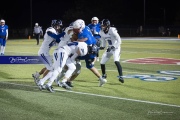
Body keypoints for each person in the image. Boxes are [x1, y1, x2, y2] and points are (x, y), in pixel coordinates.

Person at [69, 19, 107, 87]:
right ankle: (101, 79)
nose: (75, 30)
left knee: (71, 58)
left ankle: (66, 78)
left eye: (77, 29)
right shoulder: (86, 27)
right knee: (90, 66)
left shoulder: (83, 34)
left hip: (88, 50)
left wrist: (74, 40)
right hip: (93, 50)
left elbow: (81, 42)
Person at [32, 19, 65, 85]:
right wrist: (65, 33)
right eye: (57, 26)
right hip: (43, 52)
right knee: (50, 68)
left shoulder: (55, 32)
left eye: (59, 26)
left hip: (45, 52)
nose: (58, 27)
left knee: (51, 66)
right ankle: (41, 82)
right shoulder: (50, 30)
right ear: (53, 25)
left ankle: (37, 75)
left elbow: (60, 41)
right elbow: (56, 37)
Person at [99, 19, 124, 83]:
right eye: (102, 25)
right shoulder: (101, 32)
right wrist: (103, 46)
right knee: (102, 62)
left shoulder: (112, 30)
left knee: (116, 60)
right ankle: (104, 75)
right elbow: (104, 40)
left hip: (116, 48)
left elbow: (119, 40)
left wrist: (114, 46)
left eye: (104, 25)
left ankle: (121, 76)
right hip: (109, 48)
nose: (102, 27)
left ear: (107, 25)